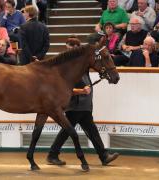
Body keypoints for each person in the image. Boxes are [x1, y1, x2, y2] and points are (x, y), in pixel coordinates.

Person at [47, 35, 119, 166]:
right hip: (75, 105)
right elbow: (65, 87)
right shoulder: (67, 68)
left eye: (76, 47)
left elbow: (97, 64)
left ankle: (103, 156)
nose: (74, 49)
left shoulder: (82, 65)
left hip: (84, 105)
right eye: (71, 46)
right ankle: (53, 155)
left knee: (88, 131)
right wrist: (80, 91)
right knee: (69, 130)